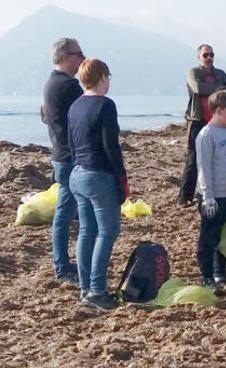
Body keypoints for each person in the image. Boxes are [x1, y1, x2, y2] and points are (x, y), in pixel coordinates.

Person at [67, 58, 127, 311]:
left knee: (87, 231)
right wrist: (121, 176)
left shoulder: (75, 106)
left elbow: (71, 143)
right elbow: (110, 146)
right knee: (107, 231)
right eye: (107, 77)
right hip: (98, 174)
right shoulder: (105, 105)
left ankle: (86, 287)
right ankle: (96, 289)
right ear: (102, 77)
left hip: (78, 172)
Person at [42, 37, 85, 285]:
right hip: (69, 158)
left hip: (61, 155)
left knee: (70, 212)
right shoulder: (68, 86)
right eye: (78, 54)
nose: (82, 58)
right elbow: (82, 119)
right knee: (65, 213)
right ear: (66, 57)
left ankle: (67, 263)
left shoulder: (51, 83)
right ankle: (61, 266)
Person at [195, 90, 226, 291]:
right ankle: (206, 275)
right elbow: (203, 167)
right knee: (209, 236)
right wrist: (208, 196)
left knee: (225, 235)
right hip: (213, 195)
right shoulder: (207, 134)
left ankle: (219, 272)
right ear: (219, 110)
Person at [180, 44, 226, 205]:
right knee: (193, 159)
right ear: (199, 57)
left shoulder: (220, 73)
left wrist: (216, 90)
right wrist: (219, 89)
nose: (209, 58)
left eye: (211, 55)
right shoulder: (193, 72)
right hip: (197, 119)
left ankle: (206, 192)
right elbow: (197, 88)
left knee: (218, 156)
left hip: (217, 120)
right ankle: (184, 197)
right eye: (205, 55)